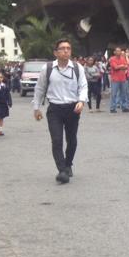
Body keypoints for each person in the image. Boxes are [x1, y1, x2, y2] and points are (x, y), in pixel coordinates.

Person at [32, 38, 88, 184]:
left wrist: (81, 101)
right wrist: (36, 107)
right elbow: (40, 88)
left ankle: (68, 164)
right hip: (55, 109)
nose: (66, 51)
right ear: (55, 52)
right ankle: (62, 170)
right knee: (56, 140)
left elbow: (83, 86)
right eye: (62, 48)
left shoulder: (77, 68)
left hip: (72, 108)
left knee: (72, 140)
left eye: (68, 48)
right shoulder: (48, 68)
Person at [108, 47, 129, 113]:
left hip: (123, 78)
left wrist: (120, 66)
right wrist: (122, 66)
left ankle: (124, 107)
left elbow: (126, 66)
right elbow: (115, 67)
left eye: (120, 51)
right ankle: (112, 108)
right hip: (115, 79)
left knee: (123, 93)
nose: (119, 52)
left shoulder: (123, 58)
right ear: (114, 52)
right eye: (117, 51)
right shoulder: (112, 59)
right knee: (114, 94)